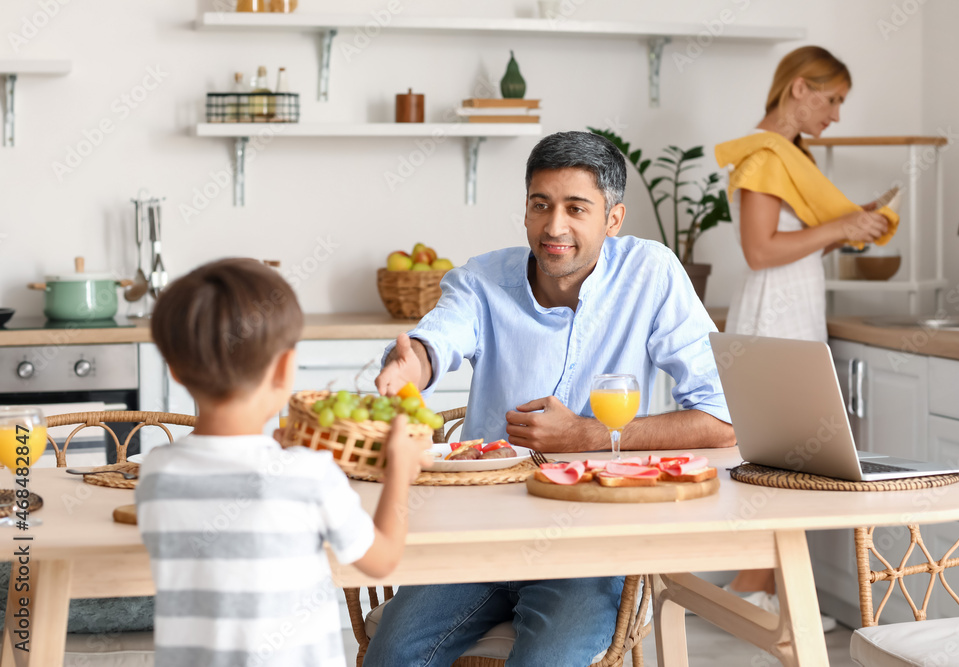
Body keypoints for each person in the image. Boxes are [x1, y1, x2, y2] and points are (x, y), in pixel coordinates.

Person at [366, 131, 736, 666]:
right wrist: (413, 362)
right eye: (541, 205)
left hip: (590, 545)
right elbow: (437, 339)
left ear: (612, 219)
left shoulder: (651, 275)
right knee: (392, 656)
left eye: (575, 208)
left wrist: (590, 436)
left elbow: (722, 419)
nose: (553, 226)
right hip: (479, 534)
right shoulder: (481, 280)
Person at [135, 258, 429, 667]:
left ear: (175, 372)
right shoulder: (309, 475)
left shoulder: (156, 472)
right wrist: (399, 471)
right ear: (285, 368)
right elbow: (381, 561)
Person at [715, 45, 895, 627]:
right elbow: (760, 250)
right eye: (833, 98)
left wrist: (849, 224)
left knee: (789, 459)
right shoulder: (767, 155)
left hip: (792, 314)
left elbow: (798, 239)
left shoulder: (789, 154)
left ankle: (758, 591)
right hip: (773, 317)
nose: (837, 114)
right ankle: (756, 591)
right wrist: (840, 226)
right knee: (786, 459)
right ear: (799, 88)